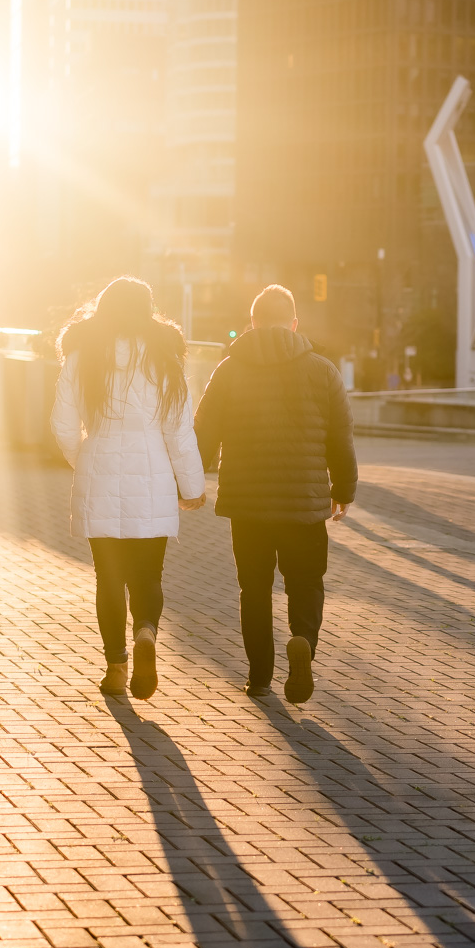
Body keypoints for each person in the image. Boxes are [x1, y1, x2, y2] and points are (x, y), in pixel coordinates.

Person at [196, 284, 356, 703]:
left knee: (254, 589)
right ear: (293, 323)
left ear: (252, 323)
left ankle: (259, 677)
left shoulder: (228, 370)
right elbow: (341, 438)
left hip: (247, 505)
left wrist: (190, 483)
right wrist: (343, 489)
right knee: (306, 583)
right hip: (305, 504)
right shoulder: (323, 371)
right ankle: (302, 640)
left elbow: (203, 433)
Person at [51, 277, 206, 700]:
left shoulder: (82, 358)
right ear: (147, 310)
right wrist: (191, 485)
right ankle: (146, 633)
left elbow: (62, 424)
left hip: (98, 477)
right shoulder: (165, 359)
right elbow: (179, 432)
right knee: (148, 575)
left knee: (108, 578)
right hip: (153, 481)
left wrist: (82, 459)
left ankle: (116, 666)